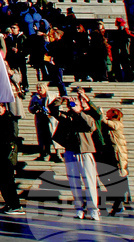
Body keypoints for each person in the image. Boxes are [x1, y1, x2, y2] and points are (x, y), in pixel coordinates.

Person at [50, 92, 99, 220]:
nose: (73, 106)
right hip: (70, 151)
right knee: (74, 182)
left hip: (84, 151)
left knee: (89, 182)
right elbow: (52, 110)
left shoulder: (86, 116)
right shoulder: (66, 116)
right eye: (71, 104)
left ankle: (93, 209)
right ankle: (79, 208)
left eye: (75, 103)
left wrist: (79, 111)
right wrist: (61, 99)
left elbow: (91, 126)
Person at [0, 102, 23, 214]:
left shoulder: (10, 119)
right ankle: (9, 203)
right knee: (1, 181)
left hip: (6, 154)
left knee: (8, 181)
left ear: (3, 107)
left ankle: (15, 205)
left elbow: (12, 136)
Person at [100, 108, 131, 216]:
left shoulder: (117, 123)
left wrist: (100, 114)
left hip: (117, 155)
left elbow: (109, 124)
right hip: (112, 154)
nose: (107, 113)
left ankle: (119, 202)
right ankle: (118, 201)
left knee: (117, 178)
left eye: (109, 111)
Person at [29, 83, 58, 161]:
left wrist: (51, 110)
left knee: (54, 136)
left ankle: (58, 154)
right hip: (40, 119)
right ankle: (45, 154)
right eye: (38, 88)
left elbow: (58, 104)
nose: (39, 90)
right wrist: (35, 108)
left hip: (51, 118)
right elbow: (30, 108)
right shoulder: (35, 98)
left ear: (45, 88)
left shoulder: (52, 95)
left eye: (41, 88)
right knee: (43, 138)